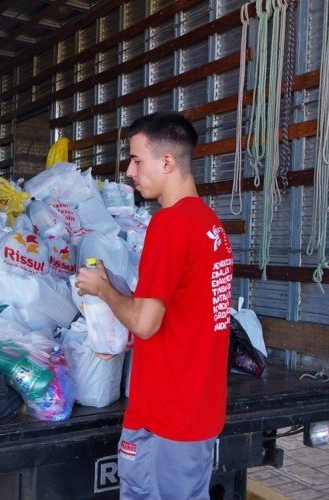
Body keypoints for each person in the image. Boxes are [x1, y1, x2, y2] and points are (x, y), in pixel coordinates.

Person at [75, 112, 234, 499]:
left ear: (167, 162)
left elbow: (145, 324)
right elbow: (183, 305)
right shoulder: (210, 225)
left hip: (165, 417)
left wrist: (102, 290)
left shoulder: (169, 225)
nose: (129, 171)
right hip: (198, 412)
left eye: (136, 159)